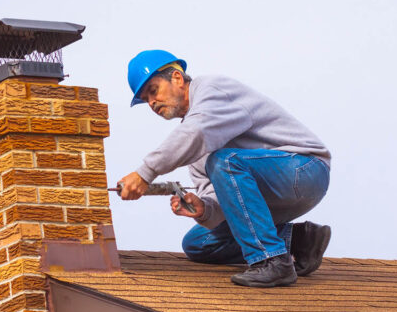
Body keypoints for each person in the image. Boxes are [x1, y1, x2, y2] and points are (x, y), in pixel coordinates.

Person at [117, 50, 332, 288]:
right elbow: (221, 199)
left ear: (177, 78)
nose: (152, 103)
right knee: (199, 243)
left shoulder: (212, 90)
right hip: (271, 194)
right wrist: (204, 209)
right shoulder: (195, 145)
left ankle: (272, 261)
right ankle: (299, 241)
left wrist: (145, 173)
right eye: (146, 100)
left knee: (225, 162)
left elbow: (197, 132)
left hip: (305, 170)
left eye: (153, 91)